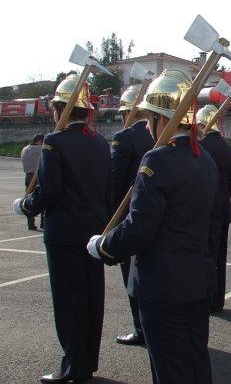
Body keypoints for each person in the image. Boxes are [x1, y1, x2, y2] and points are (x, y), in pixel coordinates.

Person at [87, 68, 220, 384]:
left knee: (170, 371)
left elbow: (139, 229)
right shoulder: (205, 159)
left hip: (163, 287)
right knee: (195, 365)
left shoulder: (157, 160)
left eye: (149, 117)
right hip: (197, 281)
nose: (147, 126)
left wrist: (104, 246)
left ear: (162, 119)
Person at [12, 74, 113, 383]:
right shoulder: (100, 143)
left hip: (65, 234)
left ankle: (74, 366)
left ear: (59, 110)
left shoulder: (55, 142)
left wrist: (26, 205)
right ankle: (87, 362)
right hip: (92, 232)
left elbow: (50, 191)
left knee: (69, 303)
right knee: (92, 300)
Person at [110, 84, 155, 347]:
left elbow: (114, 180)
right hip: (154, 214)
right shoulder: (155, 135)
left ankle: (140, 328)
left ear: (128, 112)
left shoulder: (124, 137)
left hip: (128, 214)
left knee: (132, 276)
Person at [196, 104, 231, 313]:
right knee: (220, 256)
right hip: (223, 207)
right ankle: (219, 299)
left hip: (207, 210)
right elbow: (229, 182)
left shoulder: (201, 148)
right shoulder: (226, 147)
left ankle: (209, 299)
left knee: (207, 256)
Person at [20, 133, 44, 230]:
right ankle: (43, 223)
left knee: (29, 200)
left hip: (28, 176)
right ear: (39, 142)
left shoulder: (25, 149)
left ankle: (30, 224)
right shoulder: (39, 150)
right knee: (43, 199)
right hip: (37, 176)